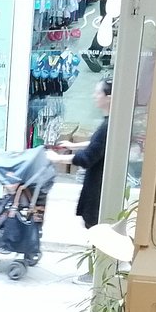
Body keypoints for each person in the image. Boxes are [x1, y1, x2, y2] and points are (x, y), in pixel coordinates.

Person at [47, 78, 112, 229]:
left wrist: (58, 158)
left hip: (97, 191)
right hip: (98, 188)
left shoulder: (108, 126)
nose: (94, 96)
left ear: (109, 98)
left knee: (95, 230)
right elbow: (99, 145)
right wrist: (73, 145)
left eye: (98, 93)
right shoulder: (110, 123)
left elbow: (87, 158)